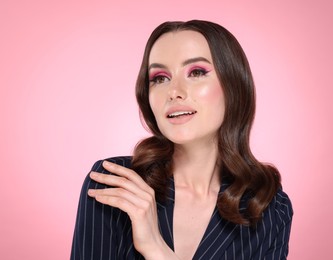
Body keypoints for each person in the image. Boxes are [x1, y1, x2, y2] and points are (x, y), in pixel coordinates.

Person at [71, 20, 293, 260]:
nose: (174, 91)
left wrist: (157, 250)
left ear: (233, 86)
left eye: (196, 73)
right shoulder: (116, 184)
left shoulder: (267, 208)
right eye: (160, 78)